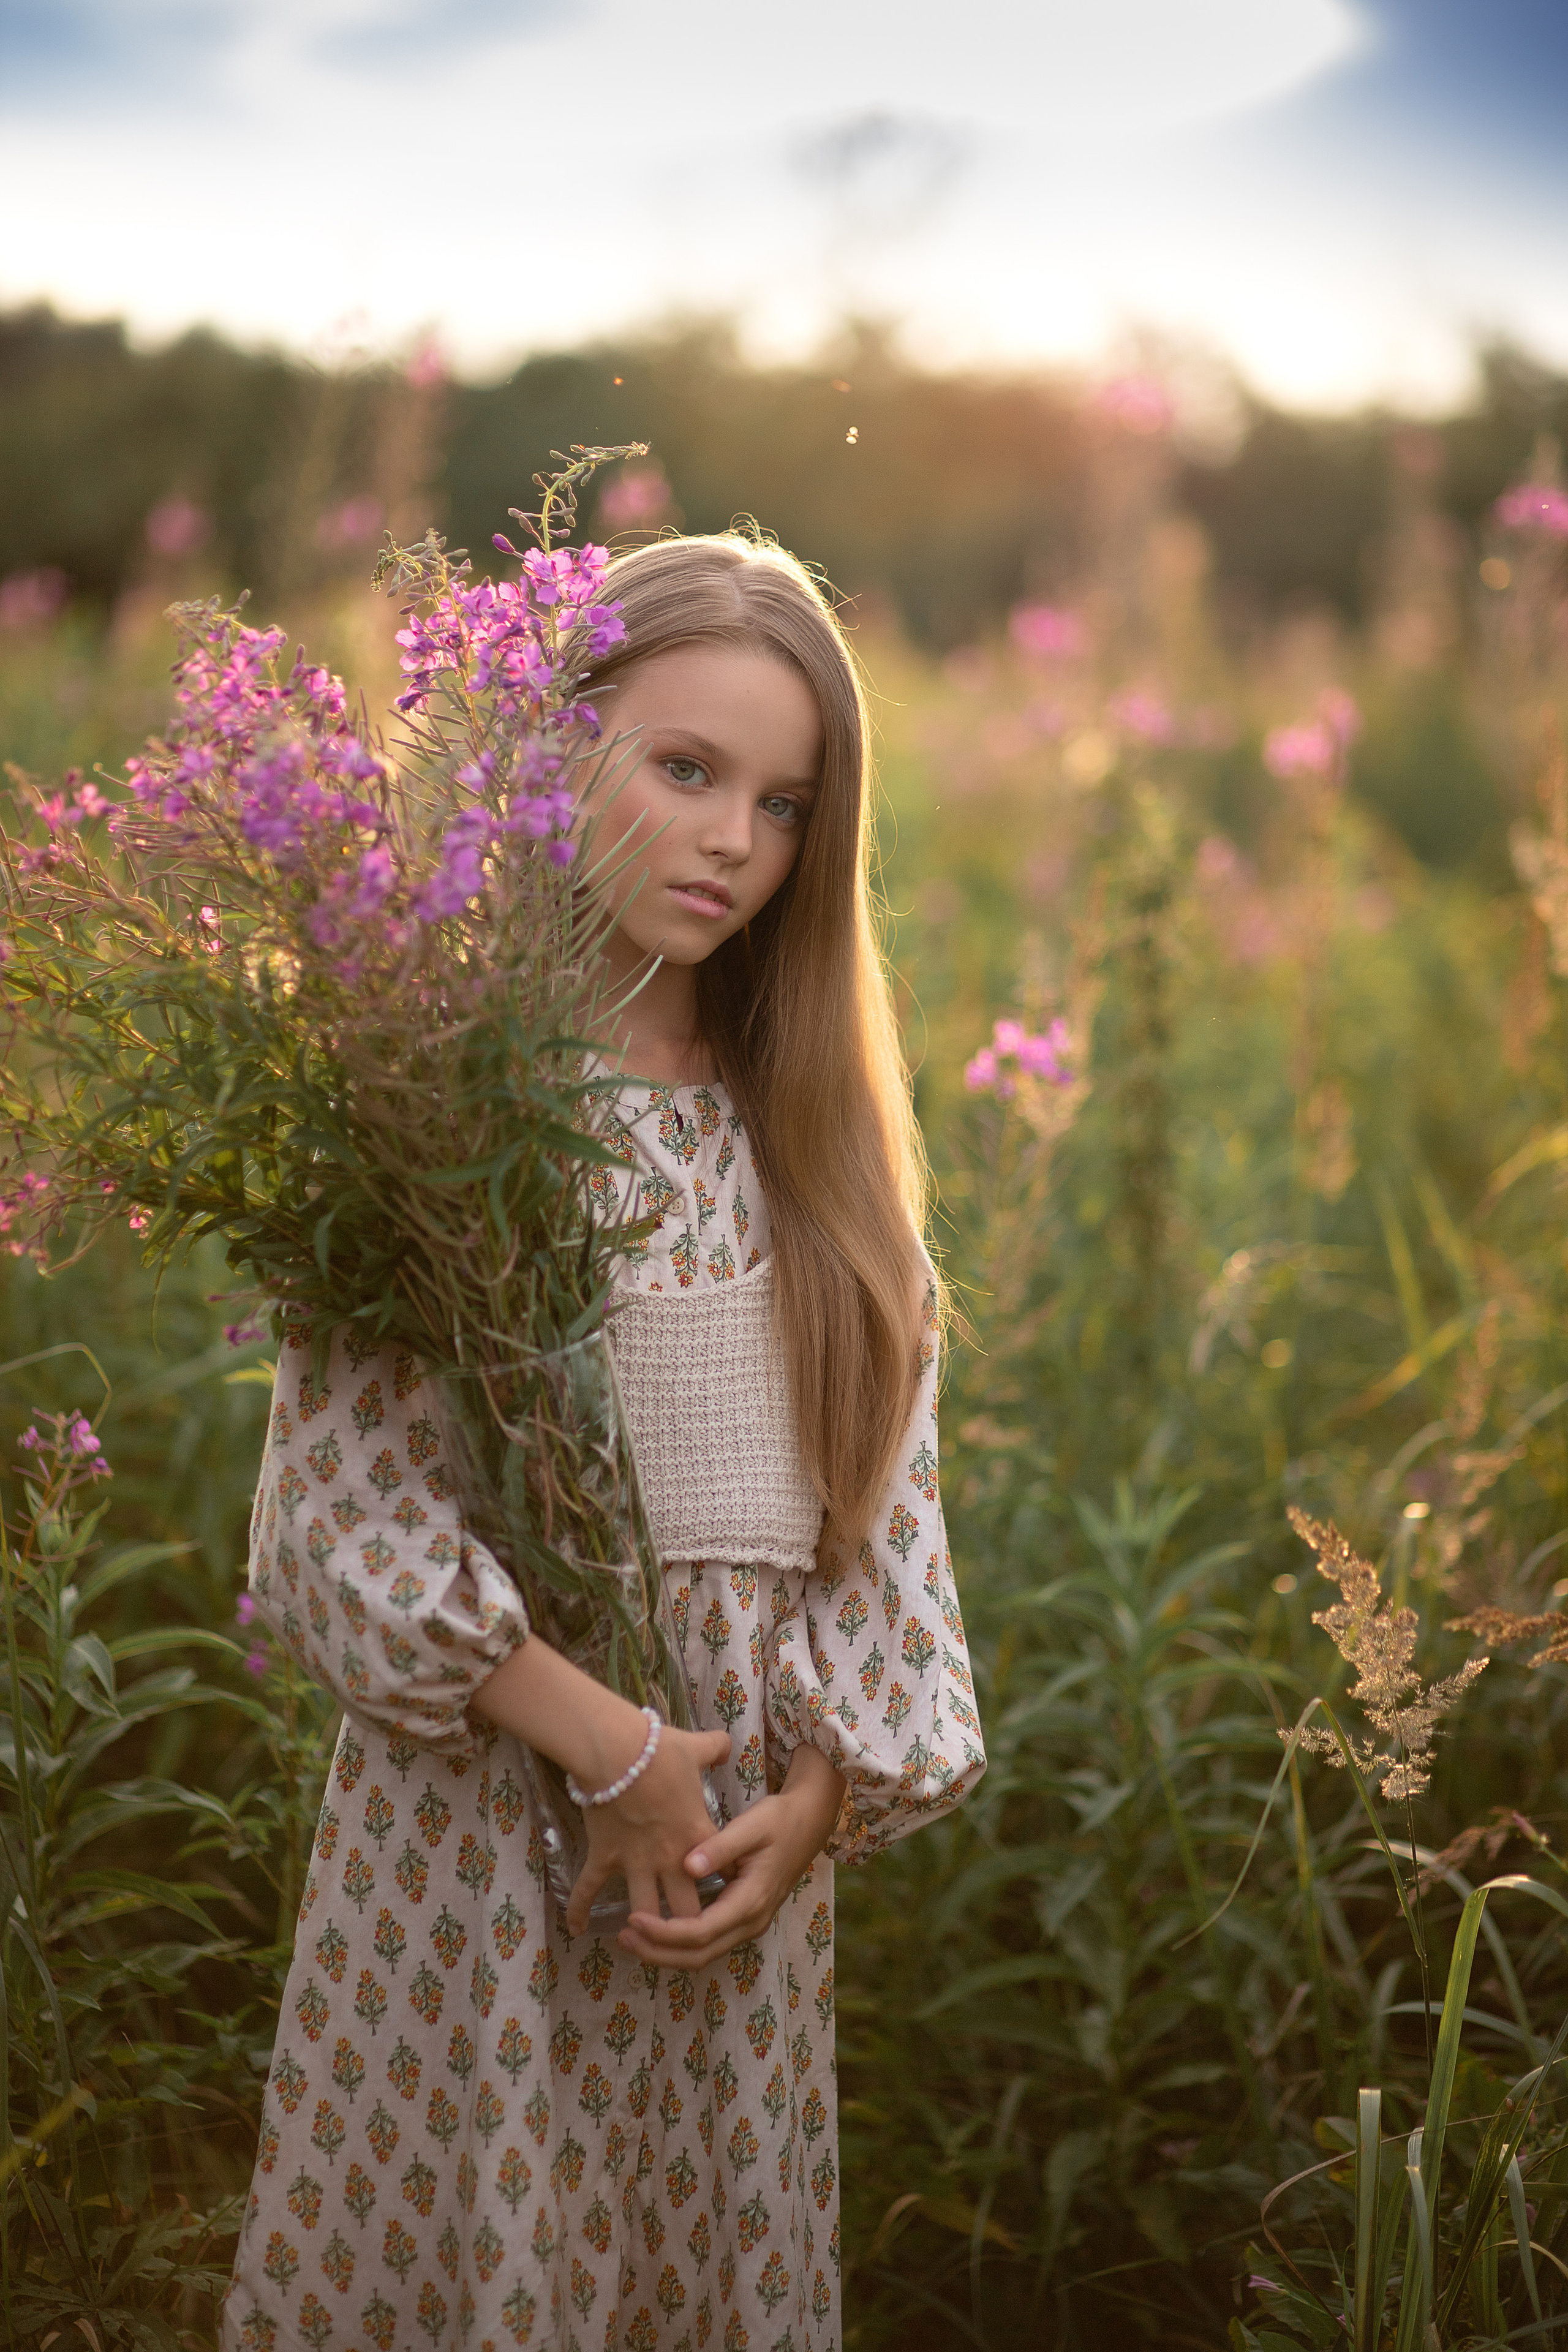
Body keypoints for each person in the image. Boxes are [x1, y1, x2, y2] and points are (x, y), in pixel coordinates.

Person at [223, 533, 987, 2352]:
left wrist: (813, 1802)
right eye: (687, 770)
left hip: (725, 1882)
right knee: (476, 2266)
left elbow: (882, 1529)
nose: (734, 839)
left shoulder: (815, 1148)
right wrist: (613, 1748)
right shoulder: (437, 1101)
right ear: (550, 756)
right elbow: (342, 1515)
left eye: (786, 803)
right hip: (482, 1843)